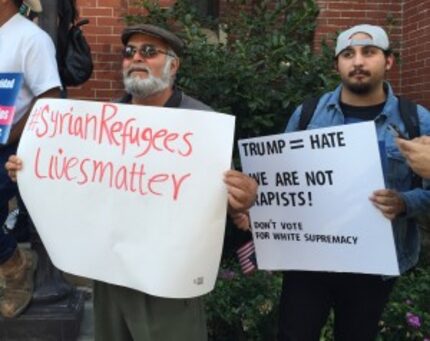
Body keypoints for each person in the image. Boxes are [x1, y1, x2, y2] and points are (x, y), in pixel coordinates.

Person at [6, 23, 257, 340]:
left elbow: (224, 211)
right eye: (130, 52)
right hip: (111, 274)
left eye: (149, 51)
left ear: (173, 65)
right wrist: (31, 170)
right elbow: (77, 185)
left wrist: (243, 200)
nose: (136, 57)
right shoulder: (102, 122)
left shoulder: (204, 125)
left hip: (169, 283)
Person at [278, 24, 430, 340]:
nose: (358, 62)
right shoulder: (307, 114)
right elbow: (281, 178)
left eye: (369, 52)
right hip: (310, 261)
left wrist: (404, 203)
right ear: (337, 65)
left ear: (388, 61)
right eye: (348, 54)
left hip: (374, 265)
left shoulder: (416, 120)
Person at [0, 0, 61, 318]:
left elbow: (49, 98)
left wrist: (10, 135)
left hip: (12, 147)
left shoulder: (31, 39)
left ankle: (14, 266)